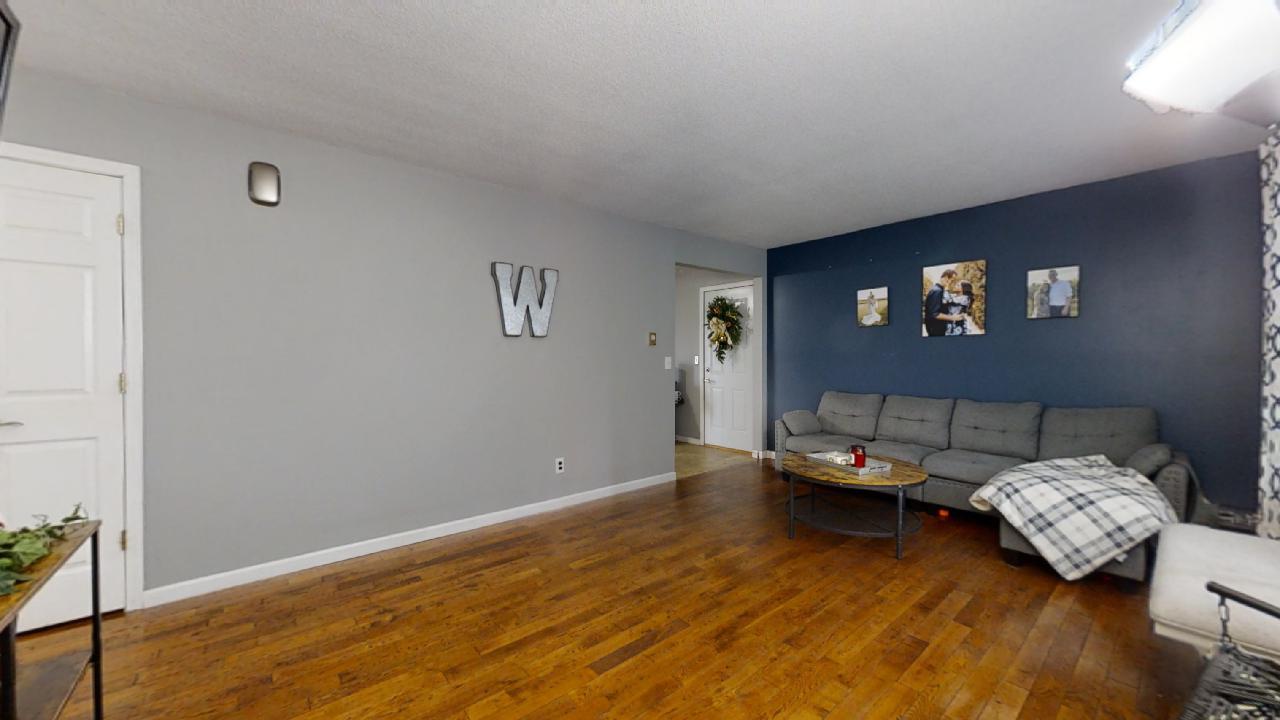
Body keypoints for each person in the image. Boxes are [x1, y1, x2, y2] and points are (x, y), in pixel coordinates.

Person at [924, 269, 962, 336]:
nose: (951, 283)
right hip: (936, 329)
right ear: (946, 278)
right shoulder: (937, 291)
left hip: (936, 327)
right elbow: (935, 314)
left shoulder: (939, 290)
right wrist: (953, 317)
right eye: (952, 280)